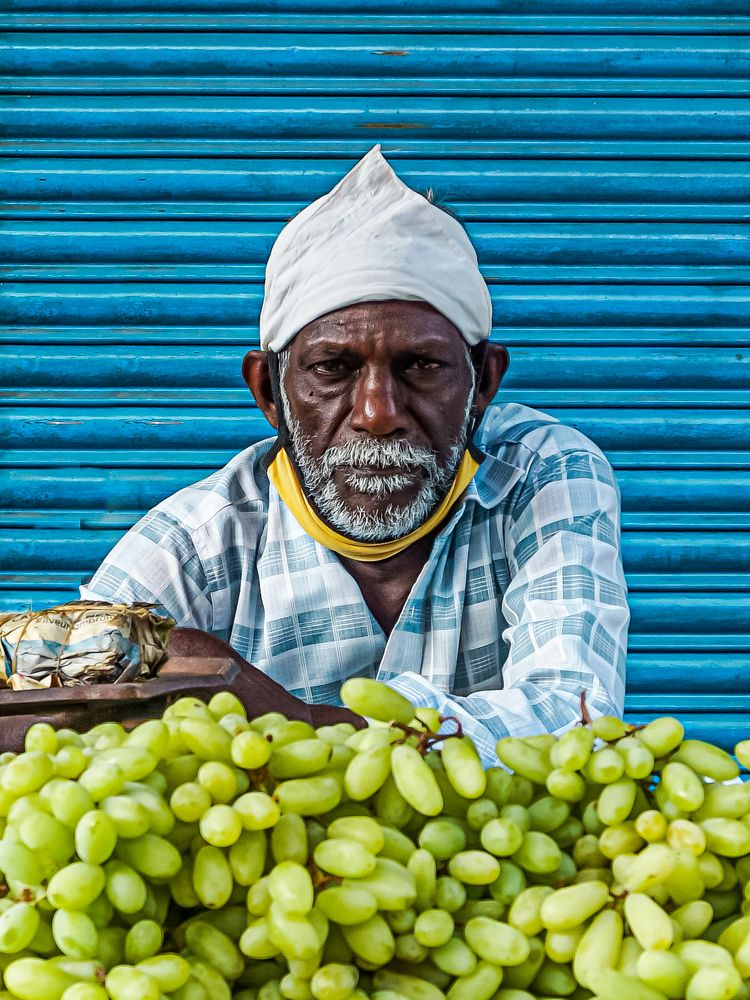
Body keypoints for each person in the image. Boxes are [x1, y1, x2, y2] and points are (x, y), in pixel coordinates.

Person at [82, 145, 629, 762]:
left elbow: (576, 716)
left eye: (421, 365)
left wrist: (302, 723)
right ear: (269, 391)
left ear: (483, 383)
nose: (378, 413)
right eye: (333, 368)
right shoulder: (196, 544)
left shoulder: (538, 475)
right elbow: (45, 717)